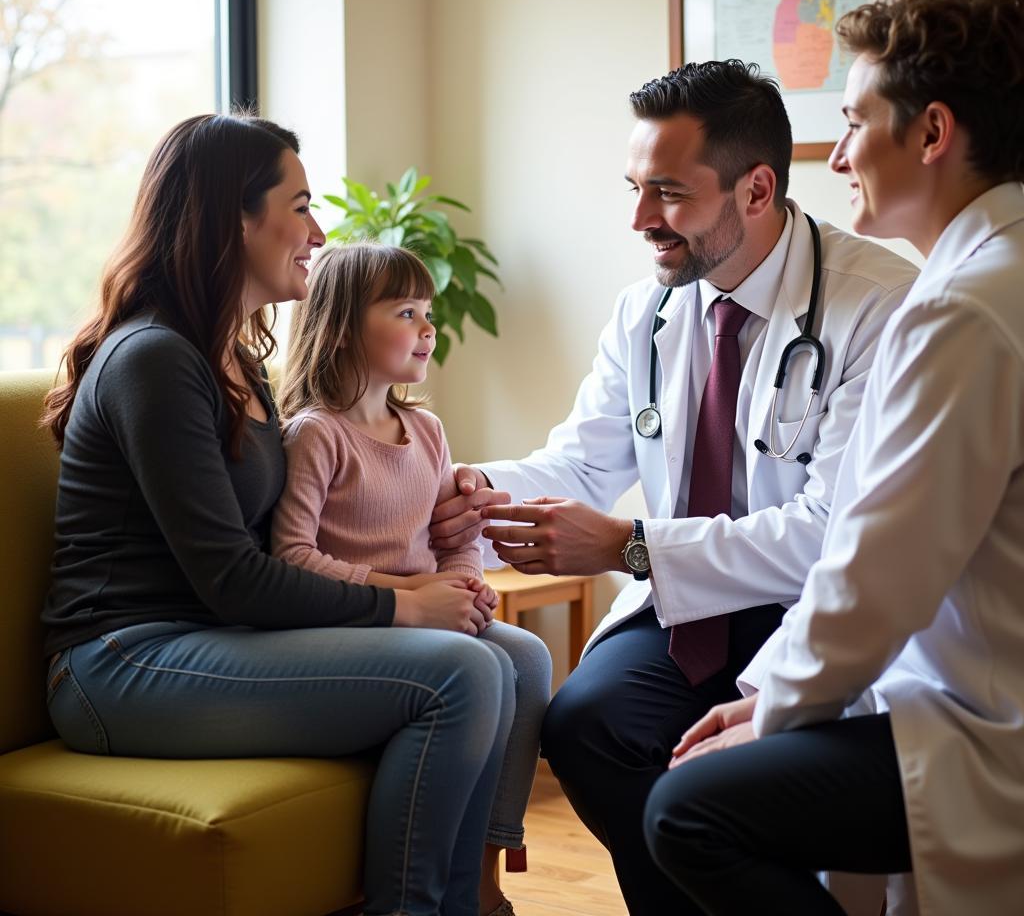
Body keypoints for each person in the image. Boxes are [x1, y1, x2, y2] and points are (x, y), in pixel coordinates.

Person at [428, 59, 920, 915]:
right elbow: (582, 463)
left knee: (719, 789)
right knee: (587, 726)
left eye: (668, 194)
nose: (639, 219)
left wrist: (630, 545)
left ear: (757, 189)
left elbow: (831, 532)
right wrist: (460, 483)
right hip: (691, 612)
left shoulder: (879, 307)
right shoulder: (647, 311)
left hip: (815, 612)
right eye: (634, 187)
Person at [40, 113, 517, 916]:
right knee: (463, 672)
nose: (318, 230)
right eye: (299, 206)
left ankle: (469, 904)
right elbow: (232, 577)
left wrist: (439, 519)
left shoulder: (236, 362)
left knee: (512, 658)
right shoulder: (154, 359)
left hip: (214, 642)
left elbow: (280, 541)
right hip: (120, 664)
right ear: (236, 215)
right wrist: (402, 606)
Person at [645, 0, 1024, 916]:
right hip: (960, 690)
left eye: (854, 123)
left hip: (986, 728)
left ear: (931, 134)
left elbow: (876, 565)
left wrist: (772, 709)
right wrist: (771, 691)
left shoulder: (963, 313)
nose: (840, 154)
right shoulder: (992, 278)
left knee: (687, 813)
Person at [272, 241, 552, 916]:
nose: (427, 327)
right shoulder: (315, 435)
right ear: (340, 329)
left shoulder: (425, 429)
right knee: (475, 666)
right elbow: (291, 557)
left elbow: (447, 537)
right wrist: (410, 594)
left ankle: (484, 877)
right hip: (356, 622)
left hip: (427, 616)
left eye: (427, 311)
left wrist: (466, 584)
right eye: (405, 311)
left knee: (528, 657)